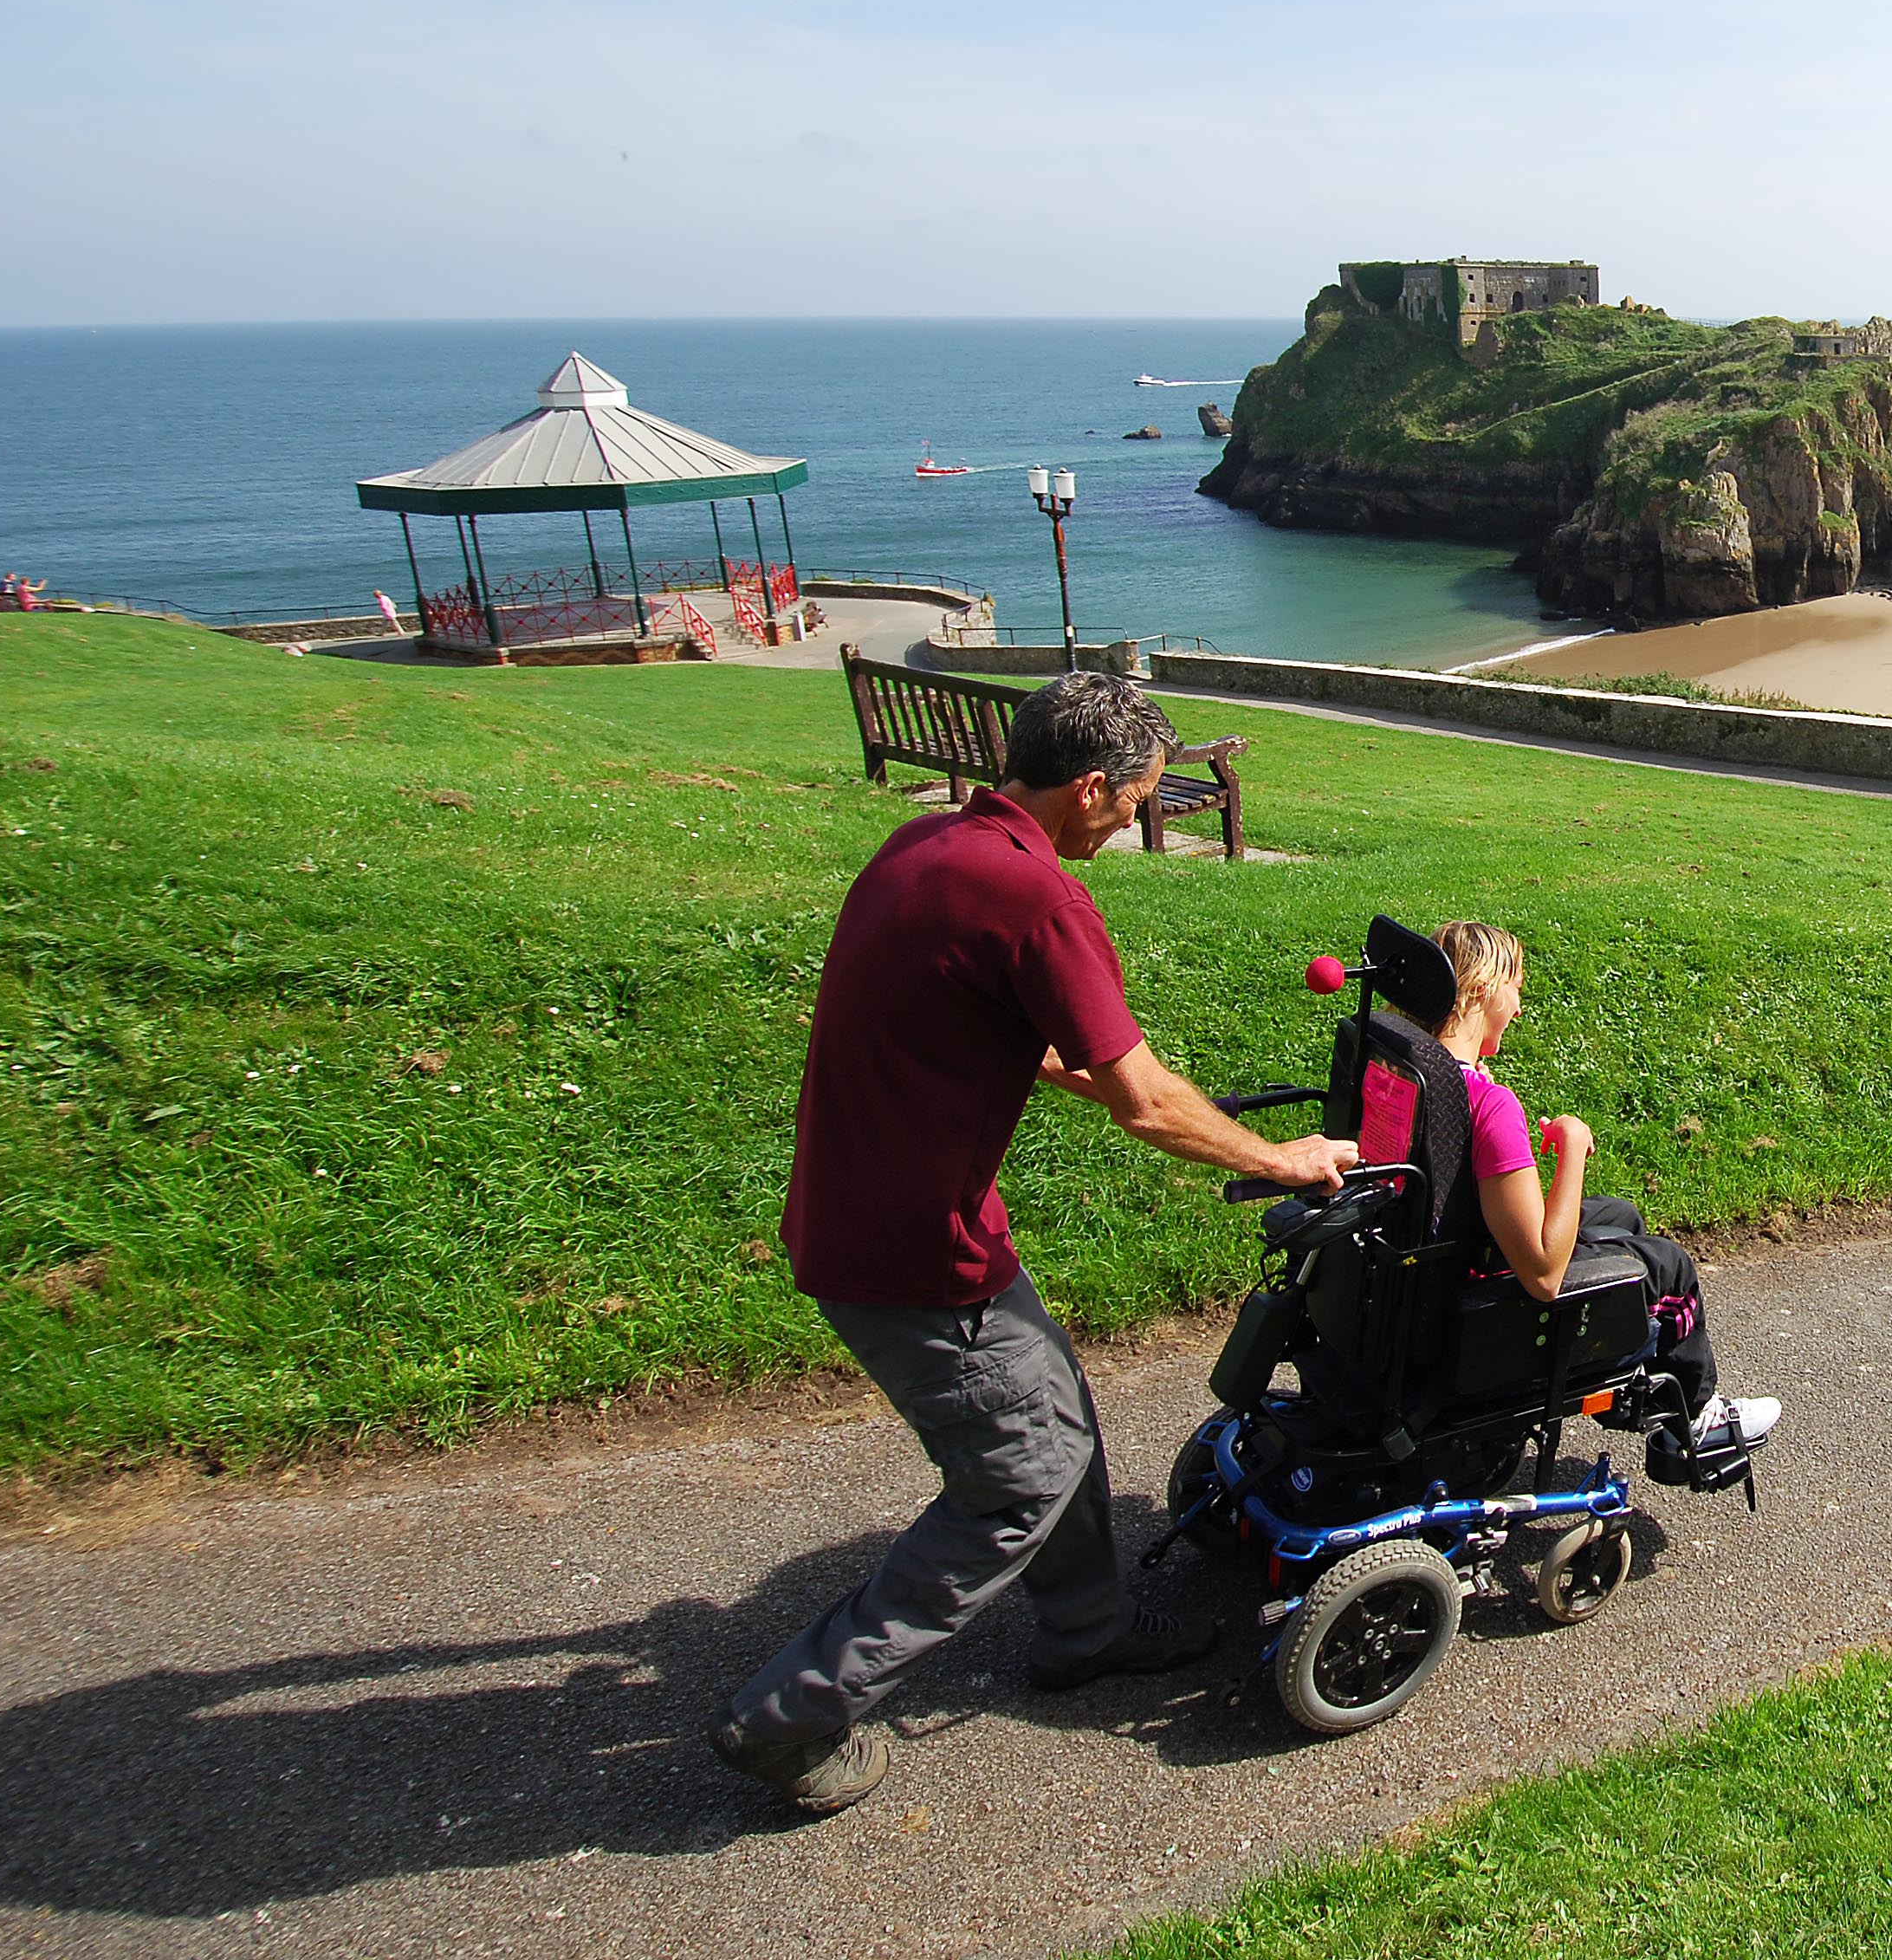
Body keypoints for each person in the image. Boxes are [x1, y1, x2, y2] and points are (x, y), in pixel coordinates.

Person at [713, 672, 1357, 1818]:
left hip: (866, 1213)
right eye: (1137, 803)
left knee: (1052, 1399)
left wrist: (1091, 1064)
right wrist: (1282, 1159)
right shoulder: (1036, 899)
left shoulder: (924, 848)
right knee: (1017, 1480)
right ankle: (793, 1716)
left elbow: (1030, 1037)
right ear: (1092, 786)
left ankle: (1084, 1630)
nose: (1137, 822)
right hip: (916, 1255)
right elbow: (1145, 1100)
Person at [1429, 920, 1779, 1459]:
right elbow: (1544, 1272)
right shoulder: (1487, 1105)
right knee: (1670, 1268)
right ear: (1480, 990)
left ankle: (1627, 1379)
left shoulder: (1418, 1070)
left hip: (1439, 1261)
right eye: (1515, 987)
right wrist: (1571, 1147)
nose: (1519, 1006)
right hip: (1483, 1291)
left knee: (1622, 1217)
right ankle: (1699, 1417)